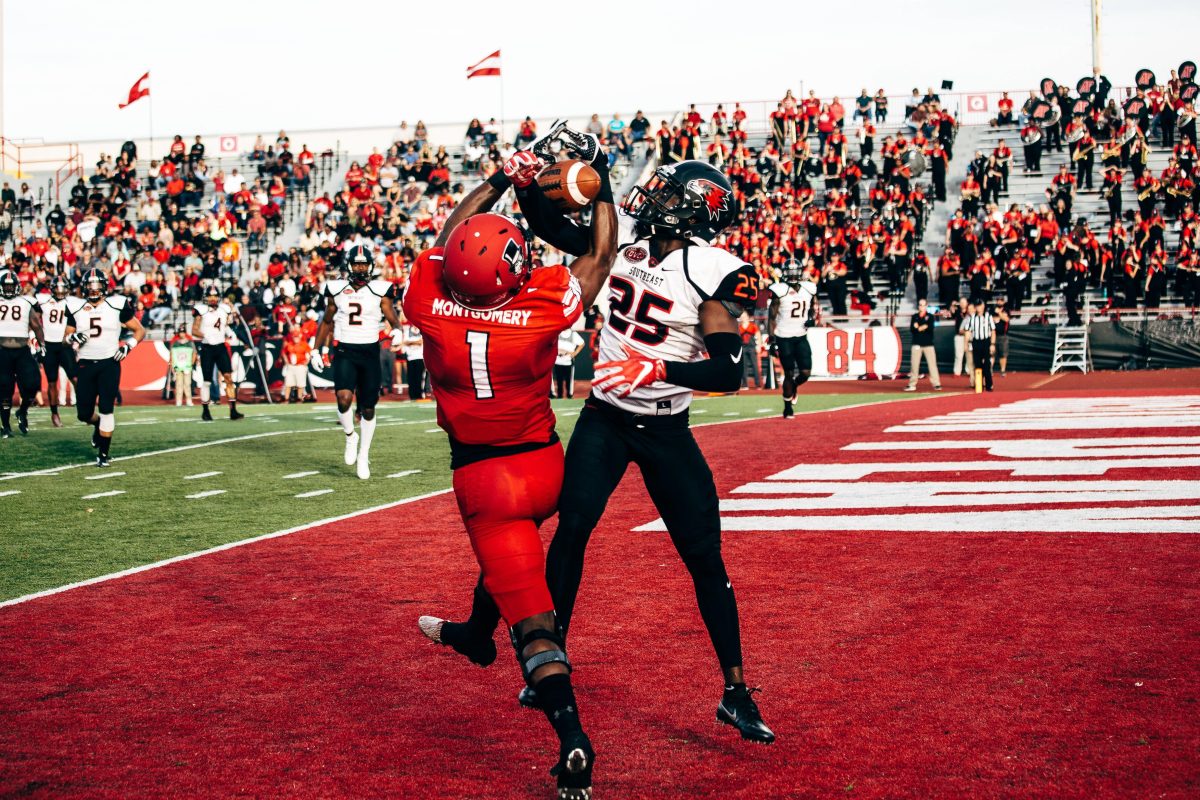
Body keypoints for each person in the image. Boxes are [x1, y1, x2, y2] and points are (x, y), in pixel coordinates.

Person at [439, 154, 776, 745]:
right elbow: (550, 227)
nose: (651, 197)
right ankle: (547, 657)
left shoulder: (713, 269)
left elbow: (728, 368)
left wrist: (658, 366)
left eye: (667, 193)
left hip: (666, 428)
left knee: (705, 561)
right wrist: (531, 183)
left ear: (696, 208)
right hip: (605, 419)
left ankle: (736, 691)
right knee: (569, 531)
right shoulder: (627, 247)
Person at [408, 127, 618, 800]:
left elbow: (449, 234)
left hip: (485, 480)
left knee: (534, 625)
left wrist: (500, 178)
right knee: (510, 566)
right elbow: (601, 253)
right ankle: (474, 631)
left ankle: (573, 740)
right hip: (543, 465)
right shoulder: (537, 307)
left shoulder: (427, 300)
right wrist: (601, 183)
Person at [312, 245, 403, 479]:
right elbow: (326, 322)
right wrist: (316, 349)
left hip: (370, 352)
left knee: (368, 408)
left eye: (364, 264)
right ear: (349, 266)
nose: (360, 268)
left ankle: (364, 454)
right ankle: (350, 435)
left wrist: (398, 330)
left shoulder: (380, 290)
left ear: (370, 265)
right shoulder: (337, 289)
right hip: (345, 350)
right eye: (357, 264)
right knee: (343, 398)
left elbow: (392, 316)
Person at [63, 268, 145, 466]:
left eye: (96, 286)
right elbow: (65, 338)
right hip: (85, 364)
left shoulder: (116, 305)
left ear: (104, 286)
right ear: (84, 288)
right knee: (83, 413)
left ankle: (103, 454)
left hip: (109, 362)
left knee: (107, 407)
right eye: (89, 287)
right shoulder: (75, 307)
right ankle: (97, 424)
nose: (93, 290)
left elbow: (140, 330)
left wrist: (128, 347)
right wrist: (72, 337)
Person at [767, 260, 816, 418]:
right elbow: (771, 317)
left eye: (796, 271)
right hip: (784, 337)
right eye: (790, 271)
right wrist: (772, 340)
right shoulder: (779, 290)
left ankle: (794, 386)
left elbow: (812, 308)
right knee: (788, 372)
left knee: (806, 372)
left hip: (801, 336)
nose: (793, 275)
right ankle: (787, 407)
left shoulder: (809, 289)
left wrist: (812, 318)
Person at [0, 270, 44, 438]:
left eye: (11, 286)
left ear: (17, 287)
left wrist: (43, 345)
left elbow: (36, 325)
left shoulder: (26, 302)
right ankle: (5, 426)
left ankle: (22, 411)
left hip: (22, 350)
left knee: (33, 384)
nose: (9, 289)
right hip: (2, 351)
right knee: (4, 390)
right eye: (6, 286)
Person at [192, 284, 245, 422]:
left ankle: (233, 410)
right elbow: (194, 330)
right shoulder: (201, 311)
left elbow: (225, 325)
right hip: (207, 348)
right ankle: (205, 411)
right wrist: (205, 335)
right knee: (208, 381)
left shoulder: (224, 310)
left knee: (228, 377)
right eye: (210, 296)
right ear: (206, 297)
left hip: (220, 347)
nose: (213, 298)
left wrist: (230, 333)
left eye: (215, 296)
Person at [36, 276, 75, 428]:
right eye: (57, 288)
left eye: (62, 288)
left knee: (75, 378)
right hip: (50, 346)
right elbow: (34, 319)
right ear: (52, 289)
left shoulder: (72, 303)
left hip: (65, 345)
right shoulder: (43, 301)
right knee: (52, 383)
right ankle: (54, 413)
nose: (60, 292)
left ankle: (85, 406)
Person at [905, 298, 941, 391]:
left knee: (932, 365)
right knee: (914, 365)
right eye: (920, 305)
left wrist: (919, 328)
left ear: (926, 306)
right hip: (916, 343)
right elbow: (912, 330)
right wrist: (922, 327)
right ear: (918, 306)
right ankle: (912, 384)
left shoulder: (930, 316)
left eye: (923, 305)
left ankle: (936, 383)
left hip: (928, 344)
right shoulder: (915, 316)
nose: (921, 307)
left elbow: (930, 328)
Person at [960, 299, 995, 391]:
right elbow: (968, 331)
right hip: (976, 342)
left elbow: (993, 331)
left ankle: (989, 385)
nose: (979, 307)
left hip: (986, 341)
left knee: (987, 364)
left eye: (980, 305)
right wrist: (965, 343)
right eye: (977, 306)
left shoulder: (988, 316)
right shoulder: (972, 318)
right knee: (977, 364)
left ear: (983, 306)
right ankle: (979, 385)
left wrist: (992, 344)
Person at [280, 327, 311, 403]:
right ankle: (286, 399)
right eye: (294, 337)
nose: (295, 338)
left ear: (299, 336)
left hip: (300, 366)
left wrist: (306, 362)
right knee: (288, 383)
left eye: (297, 337)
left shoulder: (304, 344)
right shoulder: (289, 344)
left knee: (300, 383)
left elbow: (309, 354)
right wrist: (286, 361)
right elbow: (283, 353)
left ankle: (299, 398)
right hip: (291, 366)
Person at [169, 325, 197, 406]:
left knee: (187, 384)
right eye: (180, 332)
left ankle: (188, 400)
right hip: (178, 366)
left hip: (187, 366)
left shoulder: (190, 343)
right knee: (179, 384)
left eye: (183, 332)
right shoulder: (175, 344)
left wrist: (191, 363)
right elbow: (172, 355)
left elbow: (194, 353)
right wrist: (172, 365)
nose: (182, 334)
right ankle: (179, 400)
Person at [554, 327, 584, 399]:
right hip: (557, 360)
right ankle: (559, 396)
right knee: (559, 380)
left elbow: (582, 343)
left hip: (568, 361)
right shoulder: (557, 332)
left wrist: (575, 353)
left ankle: (569, 396)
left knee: (568, 381)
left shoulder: (573, 334)